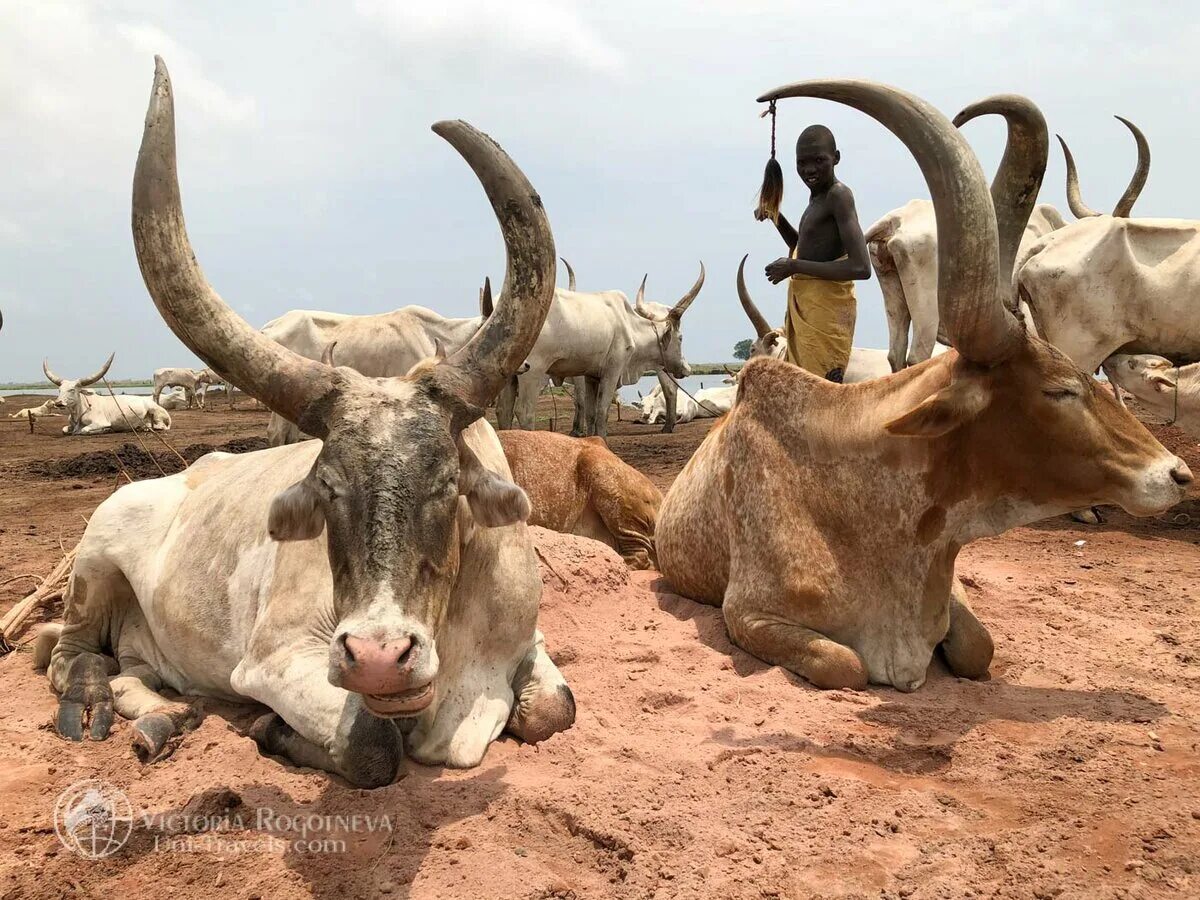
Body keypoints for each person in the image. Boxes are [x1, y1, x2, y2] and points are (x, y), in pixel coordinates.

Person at [760, 125, 871, 382]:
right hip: (810, 311)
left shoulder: (839, 196)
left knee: (822, 391)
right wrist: (775, 217)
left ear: (836, 158)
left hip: (826, 315)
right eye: (802, 163)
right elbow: (806, 248)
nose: (809, 170)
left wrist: (794, 267)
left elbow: (860, 267)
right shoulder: (817, 200)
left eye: (819, 160)